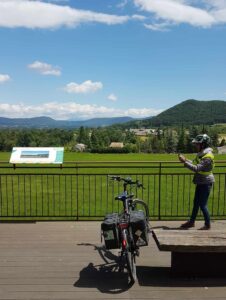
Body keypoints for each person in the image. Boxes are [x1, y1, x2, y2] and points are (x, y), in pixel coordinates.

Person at [178, 134, 215, 230]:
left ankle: (207, 225)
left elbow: (197, 168)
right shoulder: (203, 154)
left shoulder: (208, 157)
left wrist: (184, 162)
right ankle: (191, 222)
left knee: (202, 205)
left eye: (197, 144)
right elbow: (195, 163)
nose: (196, 146)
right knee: (196, 203)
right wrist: (186, 160)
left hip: (206, 183)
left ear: (203, 144)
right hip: (201, 182)